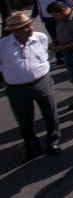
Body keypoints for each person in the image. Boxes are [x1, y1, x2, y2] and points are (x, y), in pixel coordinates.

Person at [0, 13, 60, 164]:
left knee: (50, 113)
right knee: (24, 120)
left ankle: (53, 141)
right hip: (16, 88)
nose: (29, 28)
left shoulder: (40, 38)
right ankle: (31, 147)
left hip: (42, 81)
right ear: (14, 31)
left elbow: (45, 55)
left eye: (29, 24)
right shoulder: (3, 45)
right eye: (24, 27)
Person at [30, 0, 72, 67]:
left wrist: (68, 16)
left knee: (64, 37)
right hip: (47, 19)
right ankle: (60, 58)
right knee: (54, 38)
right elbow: (37, 6)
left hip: (59, 18)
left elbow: (67, 4)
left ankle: (69, 55)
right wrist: (32, 17)